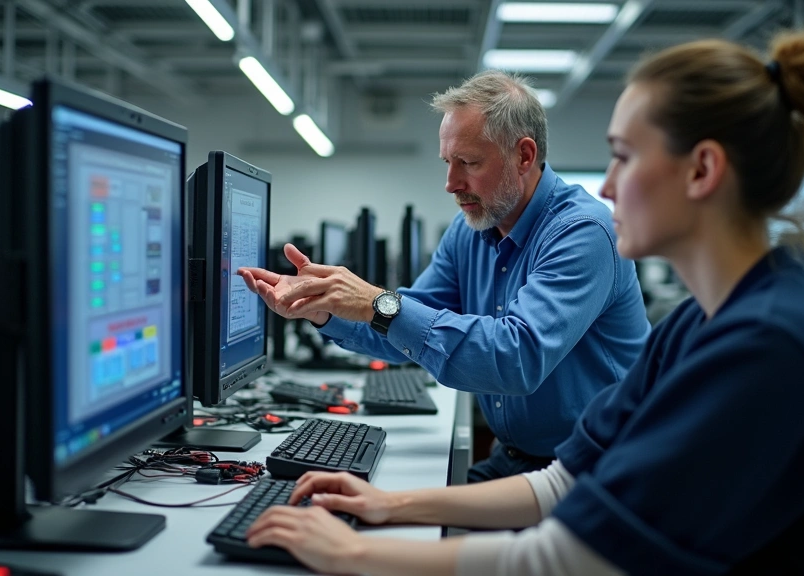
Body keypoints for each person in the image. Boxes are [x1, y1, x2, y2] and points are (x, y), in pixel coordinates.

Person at [241, 31, 804, 575]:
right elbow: (566, 485)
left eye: (623, 157)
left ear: (701, 171)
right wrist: (387, 504)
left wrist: (353, 552)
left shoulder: (771, 343)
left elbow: (575, 559)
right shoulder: (702, 319)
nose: (604, 188)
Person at [240, 70, 651, 481]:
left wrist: (375, 303)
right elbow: (401, 326)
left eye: (468, 162)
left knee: (392, 525)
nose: (451, 183)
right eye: (447, 162)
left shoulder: (583, 233)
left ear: (524, 156)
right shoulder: (470, 230)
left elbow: (514, 359)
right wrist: (324, 307)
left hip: (602, 472)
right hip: (519, 460)